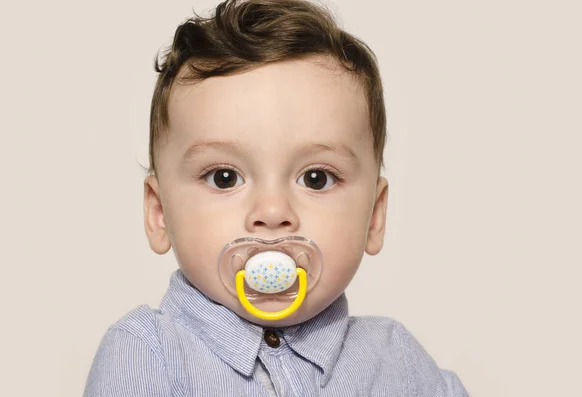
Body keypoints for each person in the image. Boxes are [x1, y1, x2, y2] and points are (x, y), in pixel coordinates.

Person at [84, 0, 469, 395]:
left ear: (374, 216)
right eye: (224, 177)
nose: (272, 212)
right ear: (160, 212)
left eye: (316, 179)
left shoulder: (396, 359)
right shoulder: (146, 354)